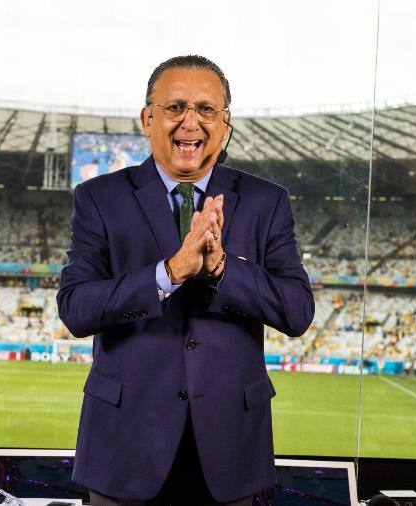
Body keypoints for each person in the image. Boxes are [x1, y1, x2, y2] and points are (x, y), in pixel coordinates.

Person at [56, 55, 314, 505]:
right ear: (147, 118)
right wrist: (169, 272)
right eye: (174, 107)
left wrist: (221, 269)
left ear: (226, 123)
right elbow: (76, 308)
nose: (189, 122)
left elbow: (296, 311)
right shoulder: (99, 198)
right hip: (125, 447)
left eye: (205, 109)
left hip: (230, 448)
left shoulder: (266, 202)